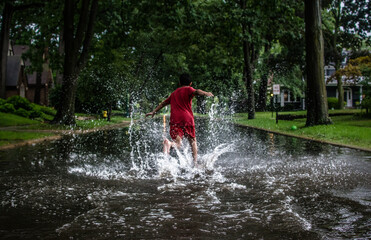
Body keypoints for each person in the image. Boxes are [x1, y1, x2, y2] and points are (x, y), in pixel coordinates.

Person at [145, 73, 214, 166]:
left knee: (178, 143)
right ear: (190, 83)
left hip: (175, 119)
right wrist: (206, 93)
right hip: (187, 118)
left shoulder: (173, 94)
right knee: (193, 141)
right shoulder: (189, 89)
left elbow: (163, 104)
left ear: (179, 83)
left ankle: (169, 143)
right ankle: (195, 163)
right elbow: (197, 91)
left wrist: (153, 111)